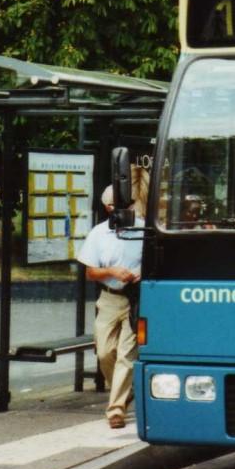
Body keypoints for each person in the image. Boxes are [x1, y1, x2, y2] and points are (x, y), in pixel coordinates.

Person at [76, 184, 143, 429]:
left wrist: (142, 272)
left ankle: (116, 410)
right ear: (108, 208)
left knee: (127, 353)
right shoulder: (98, 233)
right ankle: (125, 391)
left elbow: (158, 258)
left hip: (136, 298)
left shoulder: (144, 227)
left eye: (127, 203)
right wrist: (111, 271)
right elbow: (90, 272)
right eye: (117, 205)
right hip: (110, 297)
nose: (124, 209)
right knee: (105, 352)